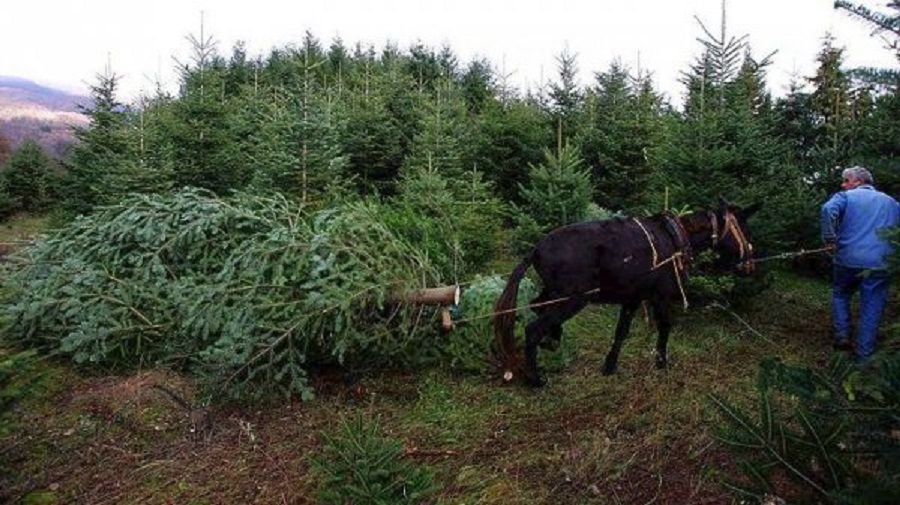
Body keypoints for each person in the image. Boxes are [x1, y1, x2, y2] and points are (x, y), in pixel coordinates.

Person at [821, 166, 900, 364]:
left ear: (858, 182)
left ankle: (842, 337)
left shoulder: (845, 197)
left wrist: (829, 239)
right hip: (882, 263)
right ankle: (864, 356)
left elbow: (827, 209)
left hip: (848, 257)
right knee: (872, 305)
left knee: (840, 293)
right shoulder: (892, 203)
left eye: (846, 180)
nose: (843, 184)